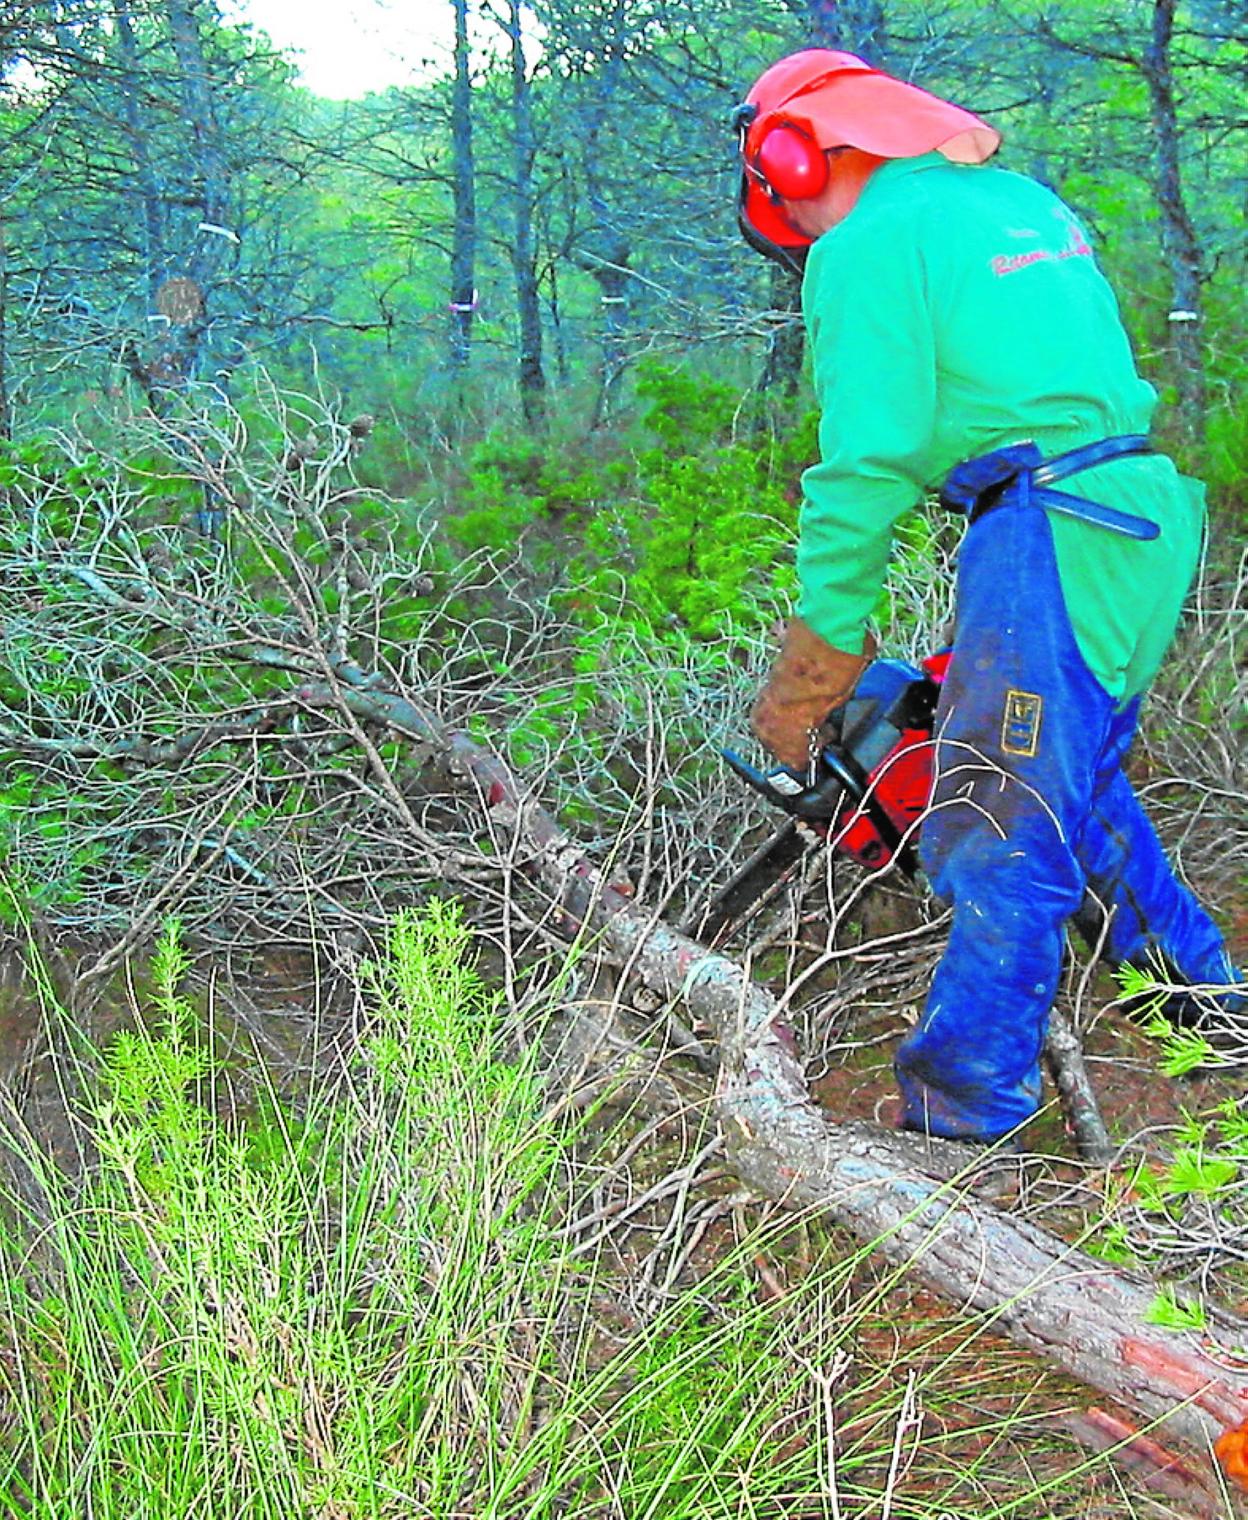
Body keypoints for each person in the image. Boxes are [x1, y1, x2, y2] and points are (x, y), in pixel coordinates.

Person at [734, 49, 1243, 1143]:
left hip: (1052, 524)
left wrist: (814, 670)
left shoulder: (870, 240)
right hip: (1137, 514)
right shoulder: (1015, 202)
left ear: (791, 153)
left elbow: (871, 461)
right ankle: (1212, 1015)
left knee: (1001, 818)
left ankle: (963, 1117)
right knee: (1082, 791)